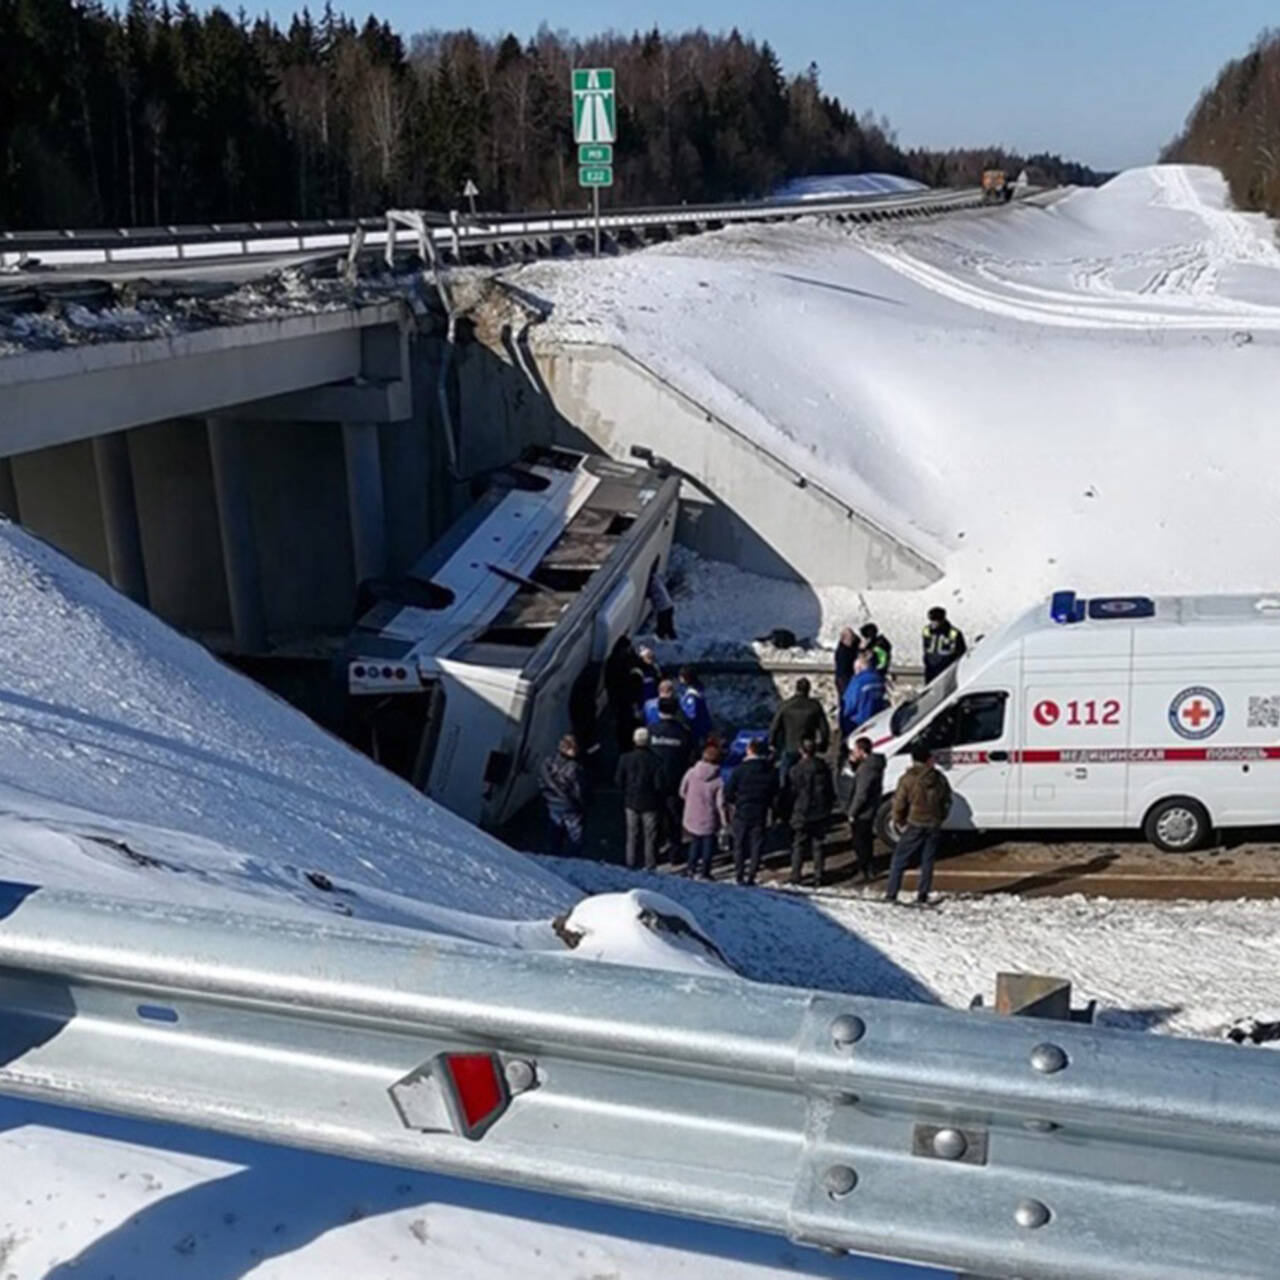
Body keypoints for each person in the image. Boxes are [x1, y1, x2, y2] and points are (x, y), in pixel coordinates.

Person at [885, 744, 952, 904]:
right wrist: (941, 817)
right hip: (934, 823)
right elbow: (947, 800)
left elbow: (899, 803)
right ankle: (923, 894)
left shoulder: (907, 779)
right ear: (928, 760)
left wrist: (898, 820)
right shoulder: (939, 778)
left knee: (899, 860)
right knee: (927, 860)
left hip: (915, 822)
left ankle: (892, 893)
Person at [723, 737, 779, 886]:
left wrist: (735, 802)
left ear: (750, 750)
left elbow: (728, 792)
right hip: (761, 810)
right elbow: (776, 793)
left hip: (742, 809)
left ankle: (739, 873)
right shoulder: (771, 771)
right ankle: (752, 875)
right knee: (757, 843)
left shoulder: (740, 770)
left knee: (739, 843)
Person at [615, 727, 666, 871]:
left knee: (632, 835)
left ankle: (630, 862)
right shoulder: (656, 761)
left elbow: (619, 780)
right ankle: (650, 864)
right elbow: (659, 785)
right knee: (650, 836)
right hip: (650, 802)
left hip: (631, 801)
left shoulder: (625, 758)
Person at [648, 696, 693, 857]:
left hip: (654, 782)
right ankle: (675, 851)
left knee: (654, 817)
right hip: (676, 781)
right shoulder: (683, 732)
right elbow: (690, 756)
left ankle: (653, 850)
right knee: (674, 817)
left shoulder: (651, 731)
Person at [787, 739, 835, 887]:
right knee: (818, 845)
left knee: (799, 845)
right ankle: (819, 875)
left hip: (802, 811)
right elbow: (830, 790)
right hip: (820, 810)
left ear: (802, 751)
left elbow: (790, 793)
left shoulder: (796, 770)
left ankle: (796, 874)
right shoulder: (823, 768)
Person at [679, 743, 727, 878]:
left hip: (692, 814)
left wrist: (689, 801)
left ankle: (691, 868)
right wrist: (724, 821)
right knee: (708, 845)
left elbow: (682, 791)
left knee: (694, 842)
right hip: (709, 817)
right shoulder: (718, 781)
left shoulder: (691, 772)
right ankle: (705, 871)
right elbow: (720, 803)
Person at [769, 677, 831, 778]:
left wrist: (772, 743)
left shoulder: (786, 705)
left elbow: (775, 726)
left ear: (796, 688)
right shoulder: (814, 706)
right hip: (808, 747)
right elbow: (824, 728)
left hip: (790, 746)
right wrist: (822, 745)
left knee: (785, 775)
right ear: (808, 689)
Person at [539, 734, 588, 856]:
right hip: (570, 805)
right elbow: (578, 789)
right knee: (575, 835)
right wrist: (583, 803)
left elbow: (542, 781)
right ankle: (573, 858)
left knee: (555, 832)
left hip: (553, 802)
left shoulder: (548, 762)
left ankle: (553, 854)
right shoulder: (574, 767)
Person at [846, 736, 885, 882]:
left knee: (860, 842)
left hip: (863, 812)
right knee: (866, 841)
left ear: (862, 751)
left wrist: (852, 812)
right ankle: (868, 867)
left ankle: (865, 870)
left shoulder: (866, 770)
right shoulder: (873, 765)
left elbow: (861, 794)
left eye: (855, 750)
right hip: (870, 808)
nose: (853, 753)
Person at [604, 636, 643, 751]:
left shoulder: (614, 661)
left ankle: (625, 745)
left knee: (623, 724)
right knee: (626, 723)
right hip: (624, 699)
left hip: (620, 699)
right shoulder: (621, 662)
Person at [840, 652, 889, 736]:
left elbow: (849, 704)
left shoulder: (857, 682)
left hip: (858, 724)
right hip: (876, 722)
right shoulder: (879, 680)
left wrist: (843, 721)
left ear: (859, 667)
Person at [922, 607, 967, 684]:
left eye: (936, 620)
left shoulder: (954, 633)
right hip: (930, 669)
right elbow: (926, 647)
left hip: (947, 670)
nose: (934, 623)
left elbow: (962, 652)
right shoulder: (926, 630)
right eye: (932, 620)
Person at [677, 666, 714, 748]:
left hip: (695, 729)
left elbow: (691, 715)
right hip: (702, 726)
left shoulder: (692, 695)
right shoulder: (698, 688)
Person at [648, 568, 677, 640]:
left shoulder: (652, 583)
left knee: (661, 629)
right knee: (669, 628)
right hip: (669, 606)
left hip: (663, 609)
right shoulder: (657, 579)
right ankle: (674, 641)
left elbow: (650, 595)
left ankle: (658, 642)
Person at [834, 628, 860, 703]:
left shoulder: (851, 647)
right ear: (843, 639)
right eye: (850, 639)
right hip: (843, 678)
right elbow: (843, 669)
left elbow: (857, 641)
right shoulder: (842, 652)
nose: (852, 640)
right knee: (845, 699)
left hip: (850, 677)